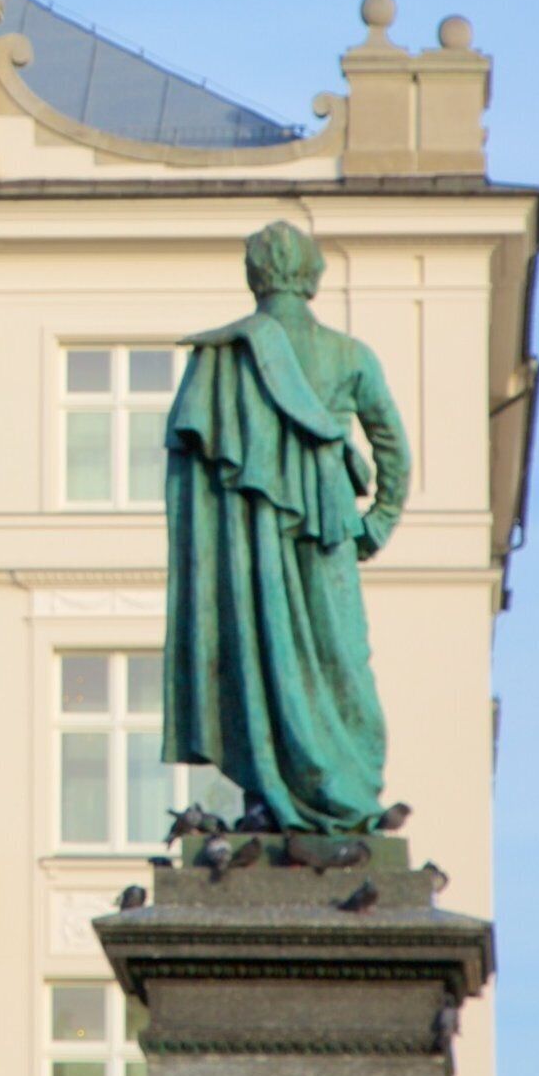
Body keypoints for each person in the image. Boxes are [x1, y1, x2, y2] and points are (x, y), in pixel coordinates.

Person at [159, 221, 410, 834]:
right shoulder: (351, 356)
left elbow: (190, 473)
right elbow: (393, 449)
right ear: (315, 278)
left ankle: (273, 791)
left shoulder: (219, 358)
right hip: (326, 535)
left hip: (248, 549)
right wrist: (375, 523)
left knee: (259, 655)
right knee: (340, 661)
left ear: (254, 278)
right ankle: (344, 793)